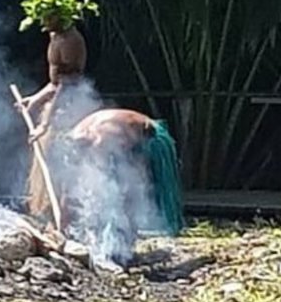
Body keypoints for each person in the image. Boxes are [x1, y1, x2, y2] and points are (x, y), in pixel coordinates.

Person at [30, 108, 185, 254]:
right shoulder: (76, 139)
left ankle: (128, 238)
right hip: (124, 136)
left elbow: (107, 180)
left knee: (129, 186)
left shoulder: (100, 140)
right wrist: (63, 230)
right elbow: (68, 190)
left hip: (149, 134)